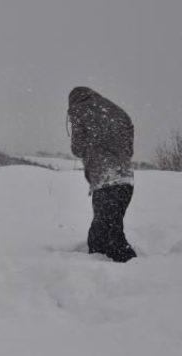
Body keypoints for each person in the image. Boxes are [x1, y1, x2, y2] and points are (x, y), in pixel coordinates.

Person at [67, 87, 137, 263]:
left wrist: (95, 150)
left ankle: (133, 269)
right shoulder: (116, 110)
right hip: (126, 179)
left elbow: (78, 147)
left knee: (108, 235)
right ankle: (103, 270)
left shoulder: (80, 110)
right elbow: (129, 148)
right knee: (104, 231)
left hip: (105, 180)